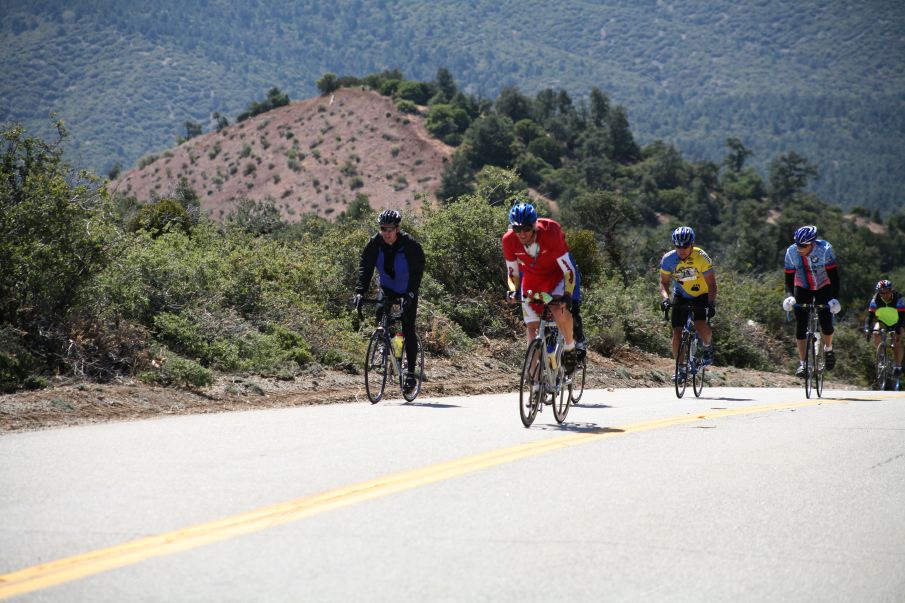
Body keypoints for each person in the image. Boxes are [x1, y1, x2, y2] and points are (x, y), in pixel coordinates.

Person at [502, 201, 579, 374]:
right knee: (532, 329)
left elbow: (568, 269)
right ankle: (534, 381)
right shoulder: (508, 240)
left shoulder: (551, 231)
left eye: (527, 229)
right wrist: (513, 290)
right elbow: (512, 273)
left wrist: (567, 293)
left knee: (558, 308)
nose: (522, 234)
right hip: (532, 280)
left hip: (557, 276)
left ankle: (569, 345)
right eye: (517, 229)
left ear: (535, 225)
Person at [354, 209, 425, 393]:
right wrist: (360, 292)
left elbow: (417, 270)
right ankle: (384, 343)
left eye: (390, 229)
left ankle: (410, 374)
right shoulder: (374, 244)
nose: (386, 233)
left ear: (398, 229)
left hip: (407, 290)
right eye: (383, 229)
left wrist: (410, 293)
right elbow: (365, 268)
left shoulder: (410, 245)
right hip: (387, 288)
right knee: (380, 312)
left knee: (408, 328)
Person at [782, 225, 841, 376]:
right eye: (798, 244)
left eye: (804, 245)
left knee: (826, 323)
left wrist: (834, 298)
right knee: (801, 324)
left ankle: (828, 349)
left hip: (823, 286)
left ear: (813, 243)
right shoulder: (791, 251)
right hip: (802, 287)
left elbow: (834, 276)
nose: (800, 248)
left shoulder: (825, 250)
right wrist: (790, 295)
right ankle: (802, 364)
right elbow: (789, 277)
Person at [659, 226, 716, 376]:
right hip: (681, 295)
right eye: (678, 246)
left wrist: (711, 303)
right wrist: (665, 298)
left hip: (701, 295)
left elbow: (711, 284)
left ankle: (708, 345)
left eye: (685, 246)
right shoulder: (668, 259)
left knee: (699, 324)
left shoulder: (702, 257)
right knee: (677, 332)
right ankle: (680, 368)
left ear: (692, 244)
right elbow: (663, 282)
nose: (681, 249)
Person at [864, 279, 904, 377]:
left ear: (891, 290)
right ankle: (881, 354)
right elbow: (870, 316)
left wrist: (898, 329)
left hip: (898, 322)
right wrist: (868, 329)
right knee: (875, 333)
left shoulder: (898, 298)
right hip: (883, 322)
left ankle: (897, 366)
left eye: (887, 292)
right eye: (881, 293)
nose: (884, 295)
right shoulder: (875, 300)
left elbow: (902, 316)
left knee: (897, 340)